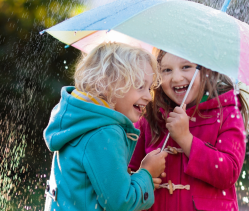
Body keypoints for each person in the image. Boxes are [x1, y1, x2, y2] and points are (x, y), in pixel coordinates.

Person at [43, 42, 168, 211]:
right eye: (139, 86)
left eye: (149, 87)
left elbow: (91, 186)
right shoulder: (105, 132)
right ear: (107, 84)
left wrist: (139, 181)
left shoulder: (81, 120)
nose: (149, 96)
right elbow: (120, 203)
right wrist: (147, 171)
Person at [129, 49, 249, 210]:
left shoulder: (227, 112)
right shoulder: (151, 116)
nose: (177, 77)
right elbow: (129, 167)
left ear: (206, 70)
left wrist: (186, 139)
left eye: (186, 67)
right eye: (167, 70)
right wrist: (143, 176)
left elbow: (228, 173)